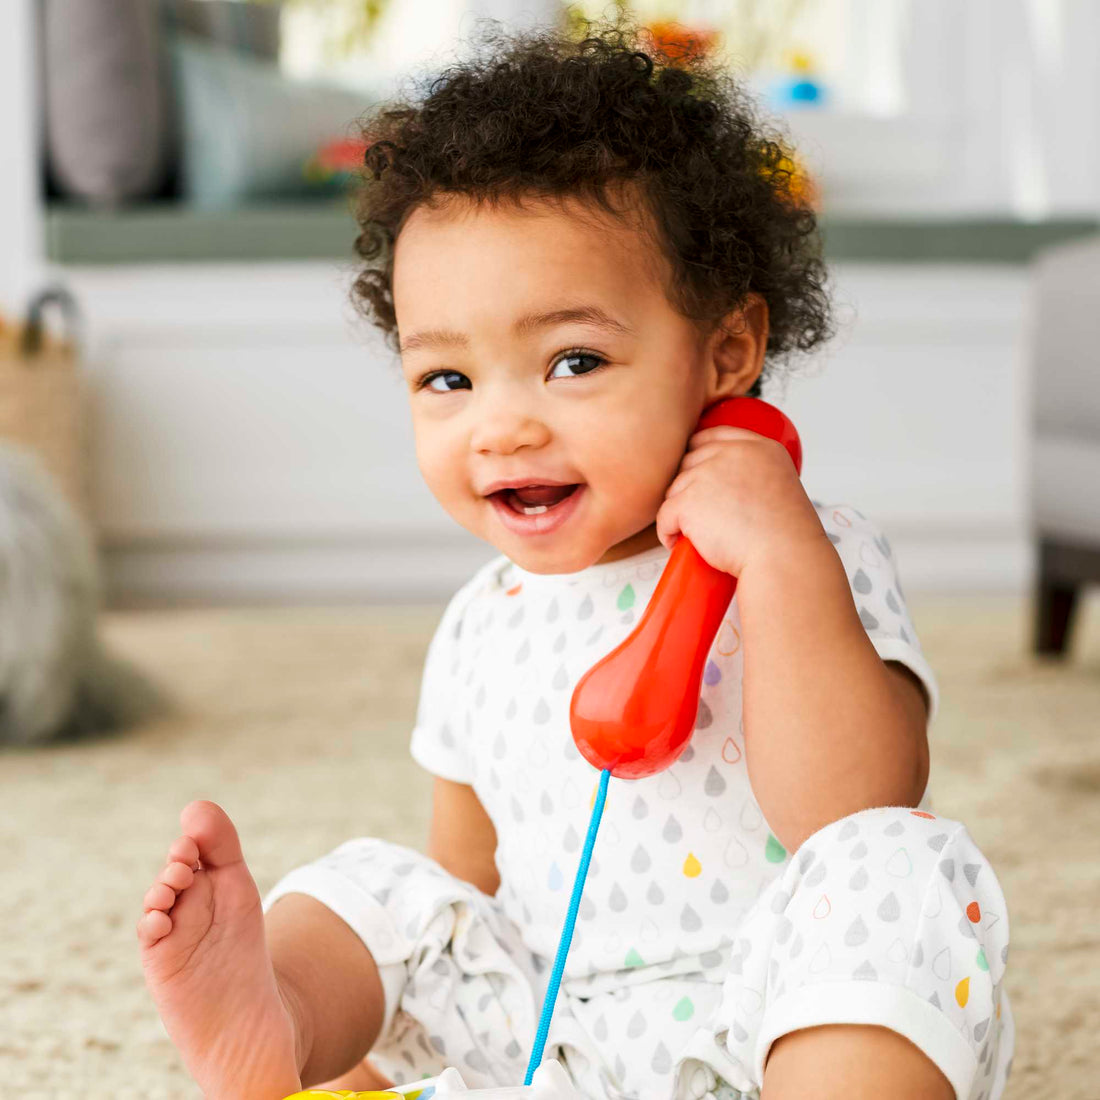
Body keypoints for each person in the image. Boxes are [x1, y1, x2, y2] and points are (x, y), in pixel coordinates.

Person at [135, 18, 1013, 1100]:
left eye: (572, 360)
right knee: (384, 887)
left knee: (897, 865)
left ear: (725, 353)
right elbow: (466, 886)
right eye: (447, 379)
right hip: (562, 1046)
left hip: (776, 1017)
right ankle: (281, 1019)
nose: (500, 426)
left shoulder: (810, 551)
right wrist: (381, 1023)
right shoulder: (480, 621)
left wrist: (777, 560)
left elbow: (852, 802)